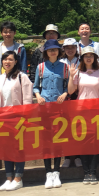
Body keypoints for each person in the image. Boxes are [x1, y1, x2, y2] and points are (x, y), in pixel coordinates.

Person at [0, 50, 33, 190]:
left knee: (18, 148)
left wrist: (25, 117)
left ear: (16, 61)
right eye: (5, 59)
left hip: (18, 117)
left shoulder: (22, 77)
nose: (7, 62)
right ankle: (8, 178)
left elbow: (27, 99)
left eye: (10, 59)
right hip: (3, 118)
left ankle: (18, 178)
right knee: (6, 148)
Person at [33, 39, 70, 188]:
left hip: (59, 108)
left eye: (55, 49)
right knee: (46, 141)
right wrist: (38, 96)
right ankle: (48, 172)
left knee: (58, 140)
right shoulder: (41, 67)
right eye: (50, 50)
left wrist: (65, 94)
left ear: (58, 51)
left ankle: (57, 172)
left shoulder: (65, 67)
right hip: (45, 108)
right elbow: (36, 86)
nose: (52, 52)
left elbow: (68, 87)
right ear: (46, 53)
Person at [68, 46, 99, 185]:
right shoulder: (78, 73)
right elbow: (71, 91)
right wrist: (71, 76)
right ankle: (86, 173)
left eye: (91, 55)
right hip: (81, 111)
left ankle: (93, 172)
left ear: (95, 58)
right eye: (86, 56)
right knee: (83, 141)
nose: (89, 58)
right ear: (82, 58)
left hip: (96, 111)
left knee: (94, 142)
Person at [59, 37, 82, 168]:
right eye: (67, 48)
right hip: (64, 96)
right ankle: (67, 157)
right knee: (66, 127)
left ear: (76, 48)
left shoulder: (82, 61)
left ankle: (78, 156)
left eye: (72, 47)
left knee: (78, 126)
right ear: (64, 49)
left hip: (79, 96)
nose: (70, 50)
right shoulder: (60, 62)